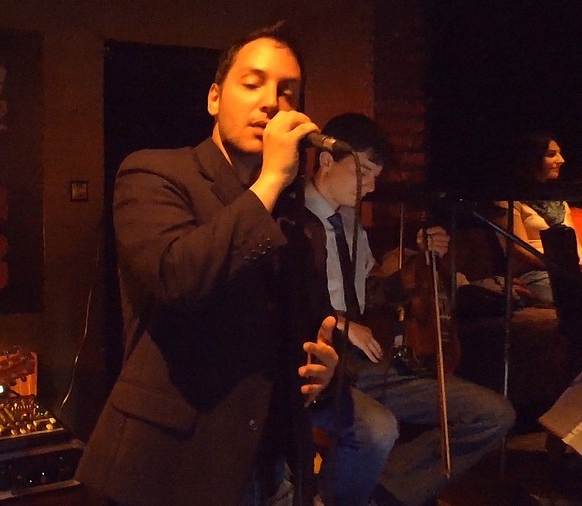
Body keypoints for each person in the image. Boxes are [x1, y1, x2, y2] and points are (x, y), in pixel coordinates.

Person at [76, 22, 340, 506]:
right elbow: (179, 277)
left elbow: (311, 327)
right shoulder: (154, 173)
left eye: (287, 92)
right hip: (171, 466)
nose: (270, 102)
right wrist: (269, 181)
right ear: (215, 98)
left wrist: (328, 373)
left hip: (270, 465)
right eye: (253, 83)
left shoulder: (297, 218)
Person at [305, 113, 516, 506]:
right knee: (377, 429)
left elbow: (372, 292)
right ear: (327, 160)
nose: (370, 188)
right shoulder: (291, 217)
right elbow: (284, 303)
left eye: (375, 177)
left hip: (366, 365)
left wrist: (419, 260)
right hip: (320, 368)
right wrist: (340, 323)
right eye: (363, 173)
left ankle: (379, 490)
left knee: (493, 414)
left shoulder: (349, 220)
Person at [495, 133, 582, 306]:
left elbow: (574, 244)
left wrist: (576, 265)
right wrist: (556, 265)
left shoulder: (558, 202)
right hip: (534, 274)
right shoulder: (510, 200)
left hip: (569, 270)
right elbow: (517, 248)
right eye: (551, 154)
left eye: (559, 153)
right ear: (531, 159)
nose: (561, 160)